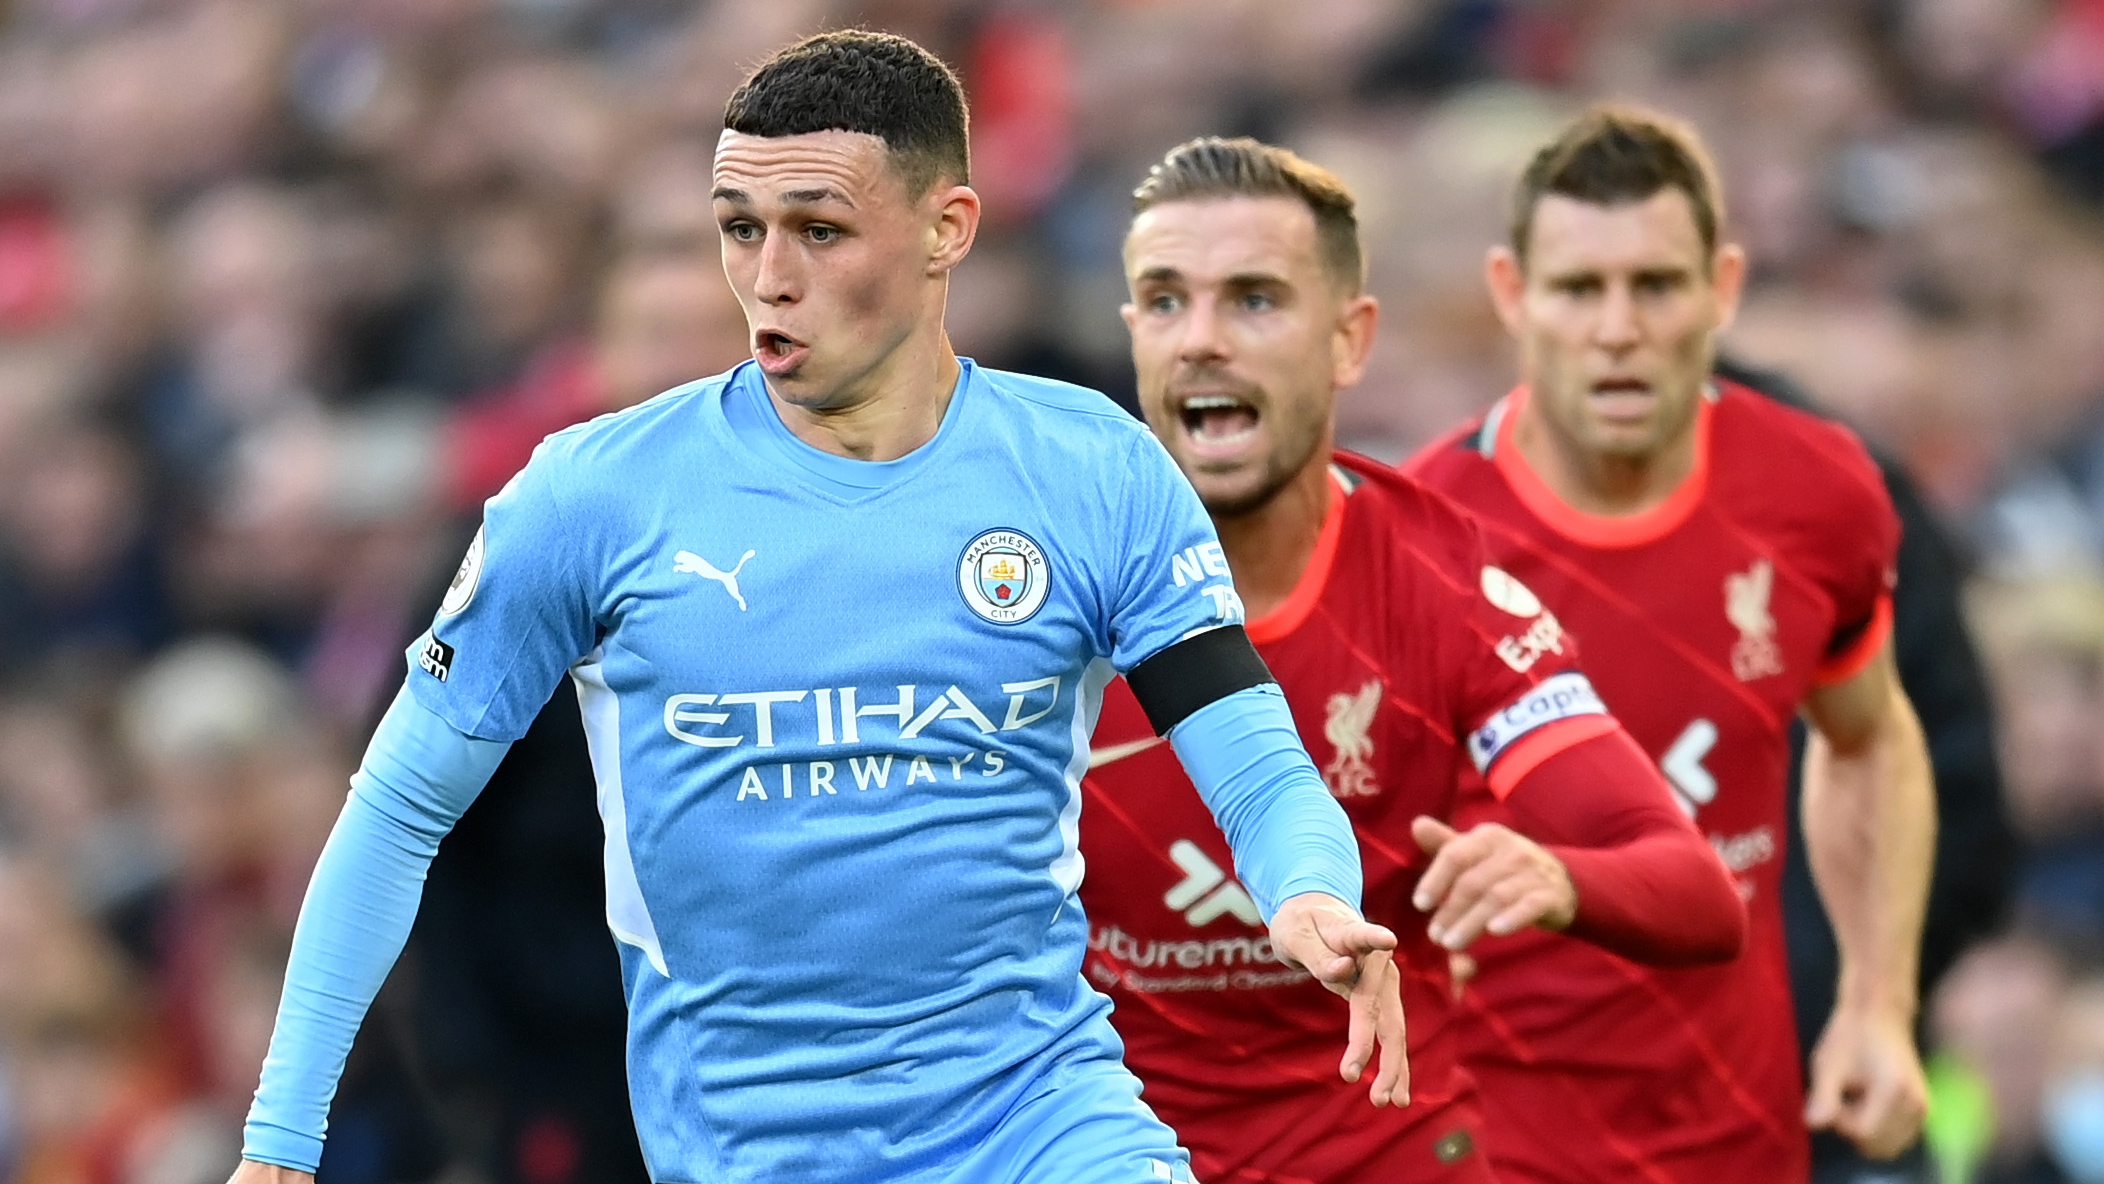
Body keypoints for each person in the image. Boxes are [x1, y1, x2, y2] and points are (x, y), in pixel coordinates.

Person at [225, 31, 1407, 1184]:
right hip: (749, 1145)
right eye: (741, 227)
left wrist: (1309, 889)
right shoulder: (591, 496)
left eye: (819, 229)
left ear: (947, 229)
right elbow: (397, 811)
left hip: (1043, 1119)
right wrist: (284, 1129)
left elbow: (1252, 757)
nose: (768, 275)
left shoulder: (1089, 467)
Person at [1078, 135, 1747, 1182]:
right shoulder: (1033, 587)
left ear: (1349, 340)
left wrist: (1557, 875)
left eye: (1254, 300)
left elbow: (1695, 893)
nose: (1201, 340)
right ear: (1134, 332)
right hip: (1108, 1150)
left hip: (1384, 1149)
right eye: (1166, 301)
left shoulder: (1437, 585)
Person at [1405, 104, 1938, 1181]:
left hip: (1739, 1137)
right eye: (1577, 289)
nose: (1618, 328)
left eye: (1653, 285)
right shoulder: (1420, 538)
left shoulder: (1814, 493)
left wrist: (1878, 1003)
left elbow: (1869, 738)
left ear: (1722, 288)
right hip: (1490, 1146)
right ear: (1512, 294)